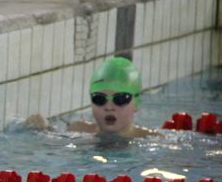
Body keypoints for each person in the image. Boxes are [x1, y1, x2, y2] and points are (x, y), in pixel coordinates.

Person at [26, 57, 157, 138]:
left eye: (120, 99)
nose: (109, 107)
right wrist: (40, 129)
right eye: (99, 99)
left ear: (136, 103)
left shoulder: (151, 139)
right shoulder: (78, 130)